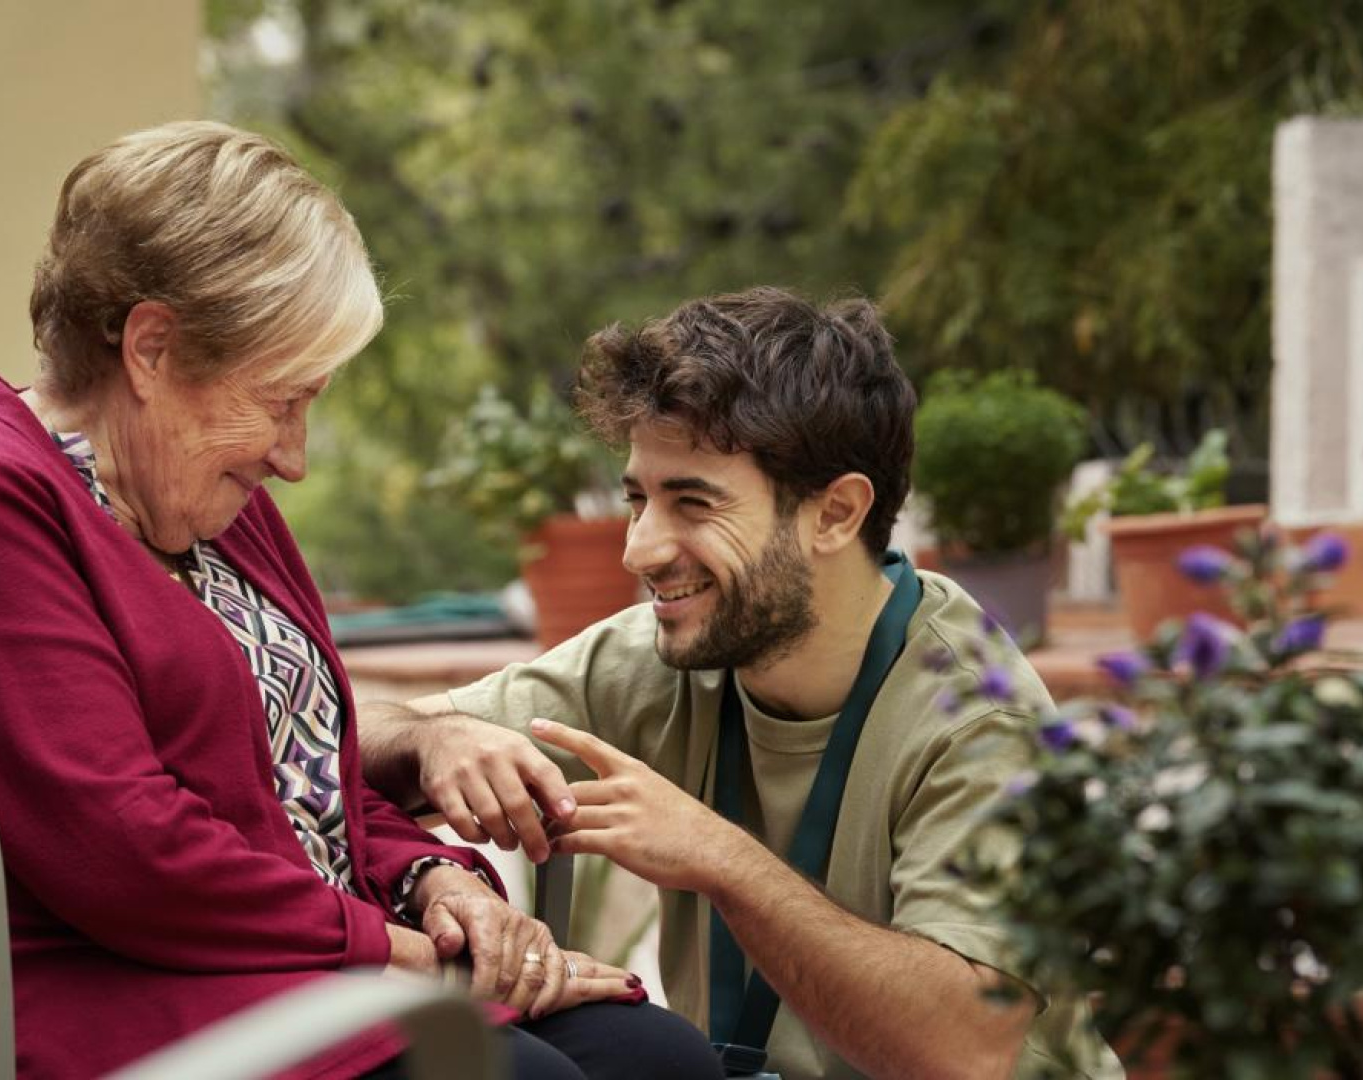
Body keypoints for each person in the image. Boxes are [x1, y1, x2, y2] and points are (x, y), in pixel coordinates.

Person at [0, 120, 720, 1080]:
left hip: (272, 965)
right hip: (81, 989)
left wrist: (434, 884)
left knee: (657, 1061)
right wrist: (413, 959)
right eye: (281, 400)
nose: (295, 457)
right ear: (152, 349)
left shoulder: (203, 507)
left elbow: (306, 785)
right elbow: (125, 854)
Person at [360, 289, 1125, 1079]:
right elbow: (335, 748)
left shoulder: (975, 716)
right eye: (638, 500)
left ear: (836, 513)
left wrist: (720, 858)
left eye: (693, 502)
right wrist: (433, 739)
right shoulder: (662, 654)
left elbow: (962, 1050)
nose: (641, 550)